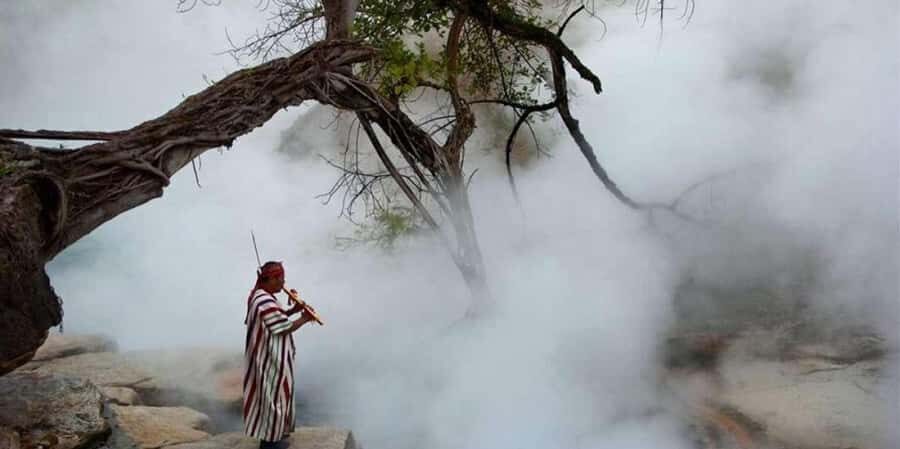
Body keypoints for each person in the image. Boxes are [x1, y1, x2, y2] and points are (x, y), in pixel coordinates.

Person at [243, 261, 316, 449]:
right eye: (280, 279)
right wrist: (304, 318)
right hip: (270, 359)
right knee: (273, 398)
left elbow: (277, 318)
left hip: (271, 357)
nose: (283, 283)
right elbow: (283, 327)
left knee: (276, 396)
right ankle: (270, 442)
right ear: (271, 279)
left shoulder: (261, 296)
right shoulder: (264, 301)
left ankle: (274, 436)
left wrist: (293, 310)